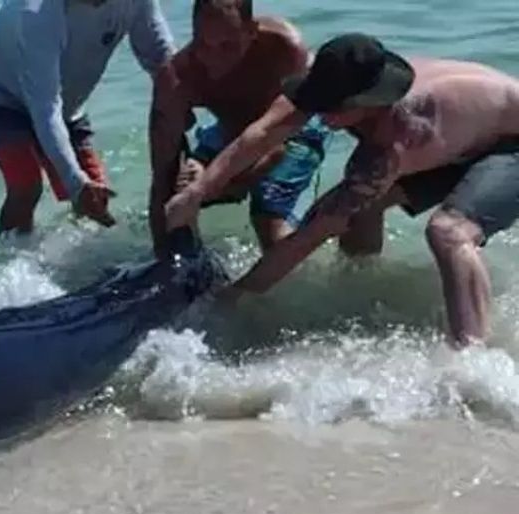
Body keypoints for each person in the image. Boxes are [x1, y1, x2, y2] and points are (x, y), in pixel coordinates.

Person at [167, 33, 519, 347]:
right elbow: (259, 136)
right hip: (464, 136)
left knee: (448, 233)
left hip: (508, 142)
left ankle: (471, 360)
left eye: (333, 108)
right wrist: (197, 192)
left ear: (365, 103)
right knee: (363, 207)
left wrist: (236, 293)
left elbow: (315, 230)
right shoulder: (333, 79)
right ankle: (363, 288)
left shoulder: (396, 140)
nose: (321, 115)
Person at [0, 0, 175, 237]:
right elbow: (46, 108)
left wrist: (180, 106)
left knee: (96, 193)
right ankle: (9, 263)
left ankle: (78, 259)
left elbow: (161, 59)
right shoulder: (36, 15)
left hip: (66, 101)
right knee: (26, 184)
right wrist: (75, 184)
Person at [147, 0, 331, 258]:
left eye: (228, 46)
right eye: (203, 44)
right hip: (228, 130)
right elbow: (160, 179)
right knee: (178, 187)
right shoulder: (178, 78)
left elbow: (274, 145)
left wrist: (223, 182)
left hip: (292, 129)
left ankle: (297, 280)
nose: (214, 59)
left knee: (268, 219)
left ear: (251, 31)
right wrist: (165, 259)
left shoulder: (284, 49)